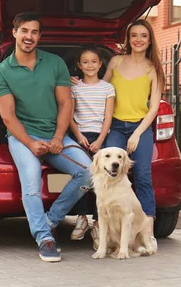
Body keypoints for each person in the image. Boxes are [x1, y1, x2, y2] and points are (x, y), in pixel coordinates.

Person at [0, 12, 92, 262]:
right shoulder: (1, 73)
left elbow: (65, 102)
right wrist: (31, 143)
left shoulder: (54, 63)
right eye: (24, 31)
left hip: (56, 134)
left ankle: (50, 220)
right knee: (32, 181)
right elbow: (9, 118)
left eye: (34, 32)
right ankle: (44, 238)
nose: (29, 36)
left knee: (89, 171)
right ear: (14, 33)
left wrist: (58, 137)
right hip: (23, 137)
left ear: (39, 36)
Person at [76, 19, 166, 251]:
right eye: (134, 35)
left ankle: (148, 232)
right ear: (128, 39)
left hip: (140, 127)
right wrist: (76, 83)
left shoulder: (153, 68)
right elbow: (99, 88)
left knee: (143, 177)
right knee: (107, 176)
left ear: (149, 40)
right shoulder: (116, 61)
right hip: (115, 127)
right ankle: (100, 227)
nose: (138, 39)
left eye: (143, 36)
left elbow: (154, 107)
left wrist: (136, 134)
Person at [68, 46, 115, 241]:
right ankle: (81, 218)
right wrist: (78, 136)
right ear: (79, 65)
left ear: (100, 64)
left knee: (101, 181)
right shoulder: (74, 87)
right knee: (81, 177)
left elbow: (108, 117)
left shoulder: (107, 88)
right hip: (81, 136)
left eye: (94, 61)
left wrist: (101, 140)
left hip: (100, 136)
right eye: (85, 62)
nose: (90, 65)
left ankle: (97, 222)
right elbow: (69, 116)